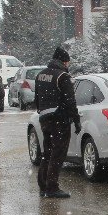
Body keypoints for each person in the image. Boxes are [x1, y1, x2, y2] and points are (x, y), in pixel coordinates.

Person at [34, 45, 80, 199]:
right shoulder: (63, 77)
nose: (68, 65)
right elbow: (70, 101)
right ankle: (52, 187)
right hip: (59, 119)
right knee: (58, 153)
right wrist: (76, 120)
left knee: (47, 153)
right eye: (67, 62)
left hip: (45, 119)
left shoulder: (41, 75)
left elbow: (37, 98)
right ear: (63, 61)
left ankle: (43, 185)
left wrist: (42, 112)